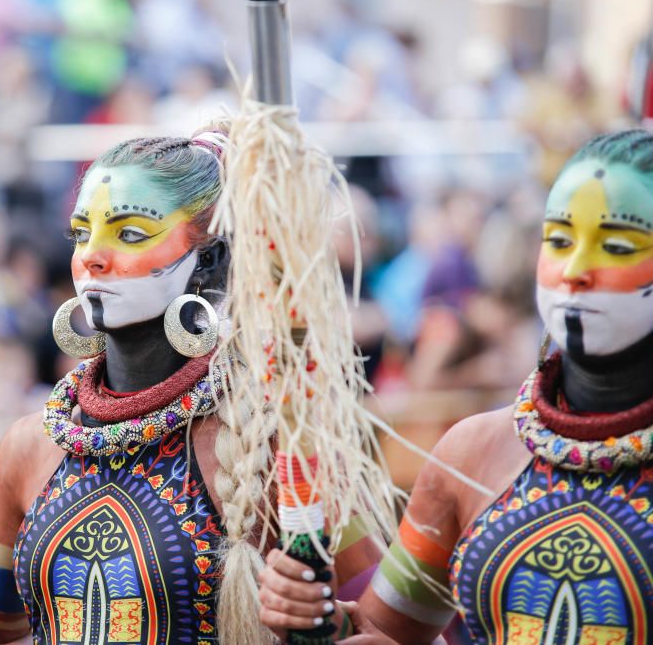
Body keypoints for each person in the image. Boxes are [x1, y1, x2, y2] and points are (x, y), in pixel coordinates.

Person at [0, 128, 381, 645]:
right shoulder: (30, 446)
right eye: (82, 233)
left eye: (130, 234)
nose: (92, 257)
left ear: (210, 260)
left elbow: (396, 630)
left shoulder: (277, 443)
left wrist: (325, 624)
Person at [259, 129, 653, 642]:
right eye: (559, 240)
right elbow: (385, 633)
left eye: (617, 246)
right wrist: (316, 616)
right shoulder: (471, 455)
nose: (574, 271)